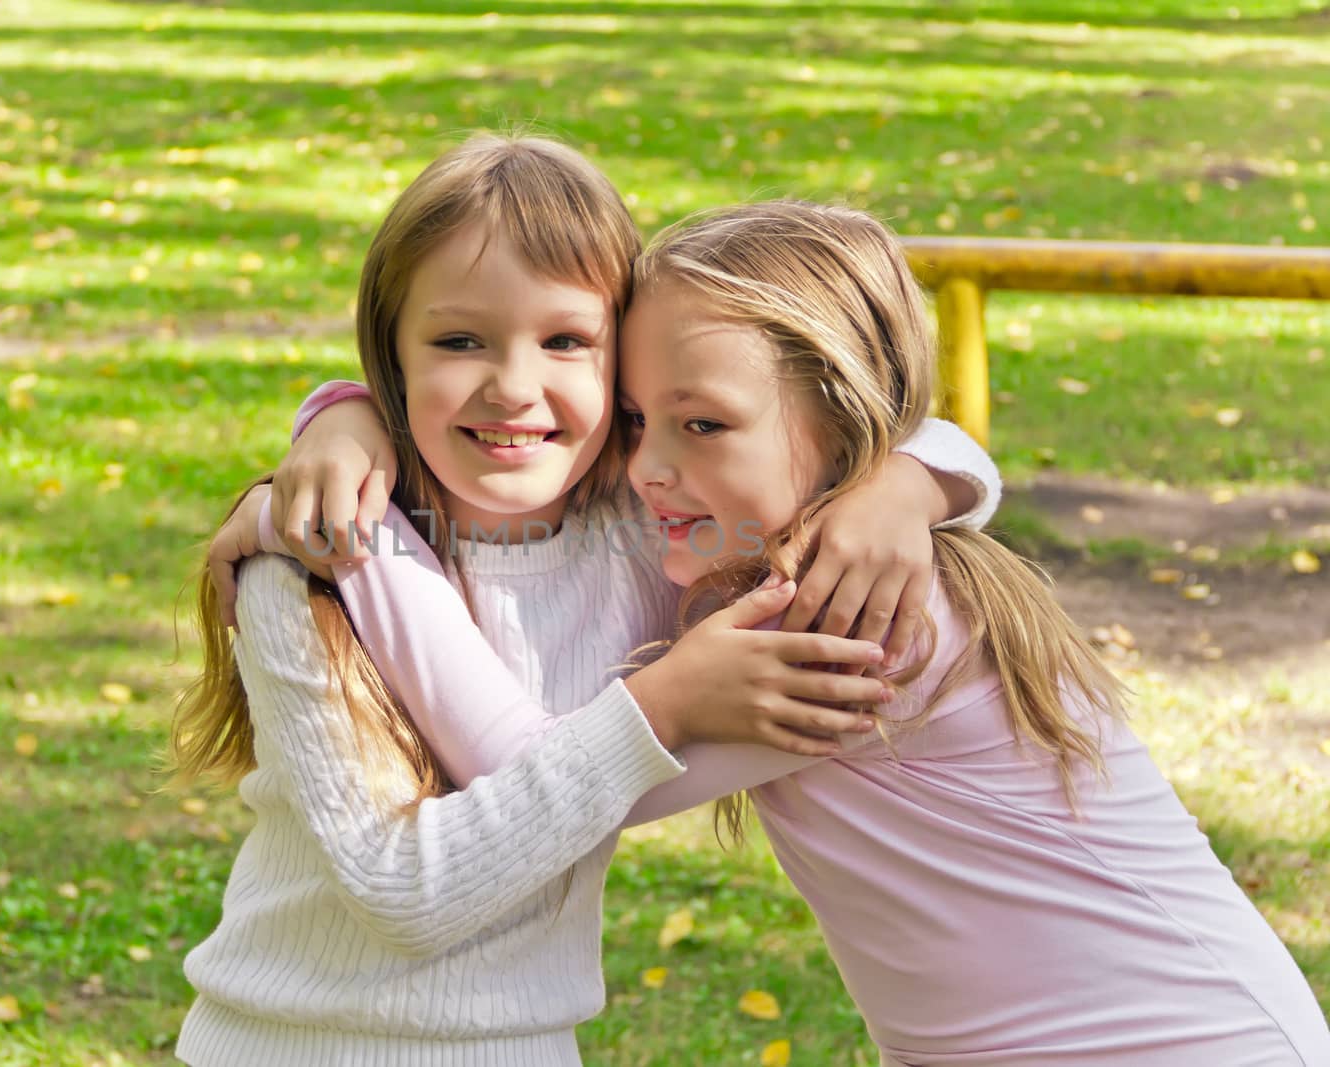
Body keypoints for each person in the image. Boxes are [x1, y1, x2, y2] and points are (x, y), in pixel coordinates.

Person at [249, 199, 1330, 1065]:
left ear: (844, 417)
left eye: (701, 423)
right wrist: (344, 411)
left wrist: (354, 541)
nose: (644, 468)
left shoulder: (862, 617)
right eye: (634, 419)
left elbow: (529, 778)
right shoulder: (788, 549)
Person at [172, 134, 1002, 1066]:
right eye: (457, 340)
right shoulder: (310, 562)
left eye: (566, 340)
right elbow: (404, 891)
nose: (513, 386)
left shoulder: (647, 534)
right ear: (392, 359)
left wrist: (908, 486)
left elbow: (872, 429)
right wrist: (335, 419)